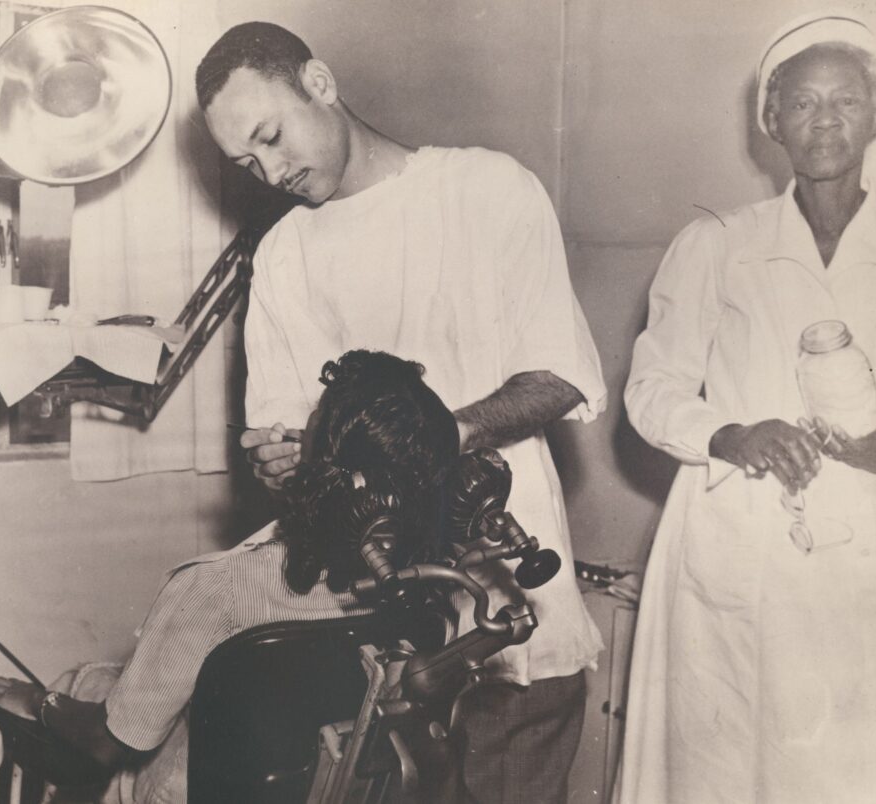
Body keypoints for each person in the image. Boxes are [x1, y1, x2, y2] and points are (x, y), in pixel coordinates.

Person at [196, 21, 607, 802]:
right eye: (248, 162)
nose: (272, 170)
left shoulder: (484, 190)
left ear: (319, 82)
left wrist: (441, 433)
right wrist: (279, 461)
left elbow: (560, 376)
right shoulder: (285, 255)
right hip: (382, 628)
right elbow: (284, 436)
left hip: (508, 609)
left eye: (273, 137)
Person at [0, 349, 461, 804]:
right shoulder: (432, 585)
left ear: (318, 470)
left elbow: (109, 743)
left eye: (311, 425)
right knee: (100, 677)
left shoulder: (218, 589)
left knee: (78, 686)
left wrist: (40, 701)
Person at [617, 11, 876, 803]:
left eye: (845, 100)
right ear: (772, 122)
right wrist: (731, 433)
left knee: (850, 764)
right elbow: (651, 389)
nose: (826, 120)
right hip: (738, 540)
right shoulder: (717, 245)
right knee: (726, 767)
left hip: (869, 551)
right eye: (803, 103)